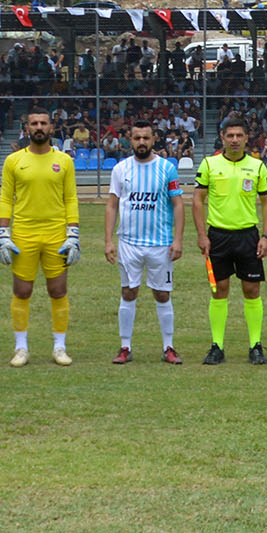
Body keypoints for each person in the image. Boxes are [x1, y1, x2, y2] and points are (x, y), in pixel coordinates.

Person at [0, 109, 79, 367]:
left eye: (44, 123)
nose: (39, 127)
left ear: (51, 127)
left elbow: (71, 198)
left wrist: (73, 233)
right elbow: (6, 199)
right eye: (34, 123)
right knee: (22, 291)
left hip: (56, 233)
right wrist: (3, 232)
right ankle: (21, 348)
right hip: (23, 233)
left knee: (58, 290)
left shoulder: (64, 161)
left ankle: (59, 347)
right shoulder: (13, 161)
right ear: (27, 127)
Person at [194, 114, 267, 364]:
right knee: (219, 290)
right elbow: (197, 200)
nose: (235, 140)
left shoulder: (258, 166)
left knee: (252, 290)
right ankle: (217, 346)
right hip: (218, 236)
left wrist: (266, 236)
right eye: (230, 135)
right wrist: (201, 235)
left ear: (247, 137)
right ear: (222, 137)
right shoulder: (209, 165)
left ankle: (255, 345)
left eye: (239, 135)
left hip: (248, 236)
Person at [103, 120, 179, 365]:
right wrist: (108, 241)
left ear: (153, 139)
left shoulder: (167, 168)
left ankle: (168, 346)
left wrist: (178, 239)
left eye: (146, 138)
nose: (142, 142)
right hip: (129, 243)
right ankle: (125, 346)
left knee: (162, 294)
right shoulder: (120, 169)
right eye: (137, 138)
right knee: (128, 291)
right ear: (130, 139)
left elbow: (178, 205)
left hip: (161, 243)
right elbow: (112, 205)